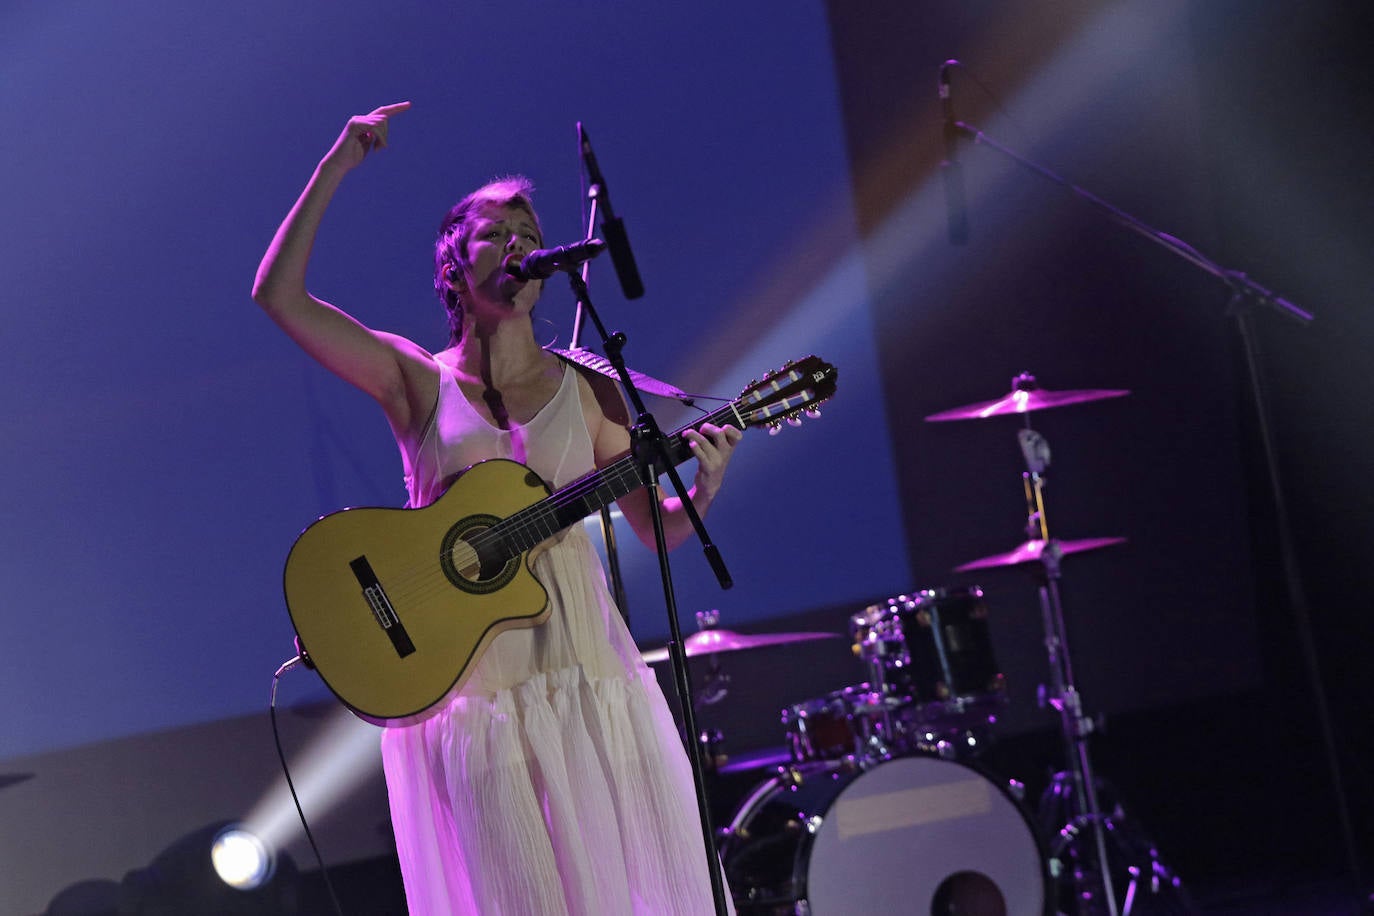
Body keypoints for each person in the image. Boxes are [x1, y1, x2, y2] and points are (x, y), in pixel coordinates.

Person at [252, 101, 742, 914]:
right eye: (495, 232)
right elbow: (279, 295)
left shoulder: (589, 390)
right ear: (454, 264)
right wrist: (337, 162)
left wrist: (703, 490)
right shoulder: (417, 379)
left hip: (587, 678)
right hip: (474, 690)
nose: (519, 244)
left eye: (529, 232)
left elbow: (659, 532)